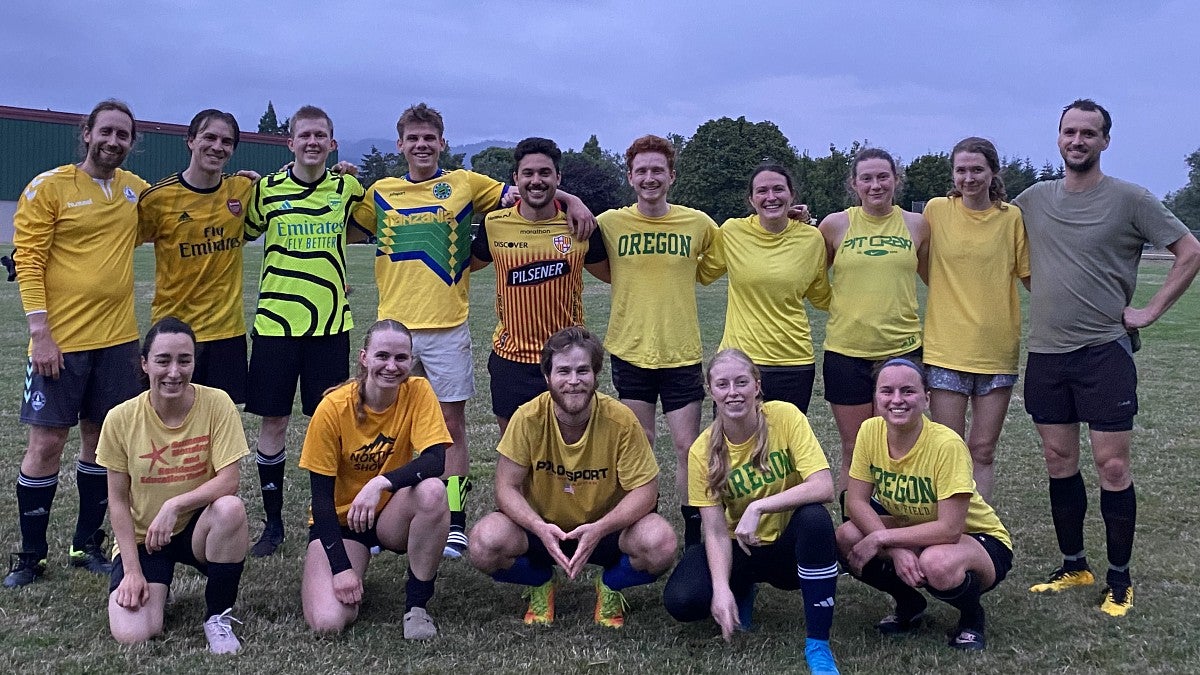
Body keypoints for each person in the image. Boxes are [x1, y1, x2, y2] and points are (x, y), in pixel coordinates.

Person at [350, 103, 595, 558]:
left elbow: (529, 192)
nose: (422, 146)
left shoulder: (466, 184)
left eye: (430, 138)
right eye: (413, 139)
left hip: (447, 325)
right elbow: (341, 223)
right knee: (386, 423)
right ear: (399, 144)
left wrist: (574, 199)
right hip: (393, 328)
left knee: (450, 426)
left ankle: (456, 520)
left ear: (442, 142)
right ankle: (385, 512)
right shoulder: (379, 191)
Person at [1014, 99, 1200, 616]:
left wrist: (1151, 310)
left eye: (1089, 134)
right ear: (1057, 138)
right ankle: (1075, 565)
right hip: (1047, 354)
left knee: (1111, 465)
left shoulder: (1131, 199)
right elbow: (979, 223)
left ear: (1105, 141)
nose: (1078, 141)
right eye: (1070, 132)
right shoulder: (1032, 199)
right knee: (1058, 461)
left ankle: (1120, 579)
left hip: (1104, 352)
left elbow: (1191, 251)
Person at [6, 99, 150, 588]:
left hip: (118, 344)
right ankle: (29, 554)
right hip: (60, 344)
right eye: (105, 131)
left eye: (123, 135)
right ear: (86, 133)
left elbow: (188, 202)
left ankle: (84, 542)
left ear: (133, 143)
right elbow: (27, 259)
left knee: (101, 442)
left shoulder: (136, 191)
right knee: (46, 443)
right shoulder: (49, 187)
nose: (114, 141)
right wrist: (40, 334)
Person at [468, 327, 676, 628]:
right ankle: (540, 581)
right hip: (544, 529)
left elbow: (646, 490)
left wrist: (601, 527)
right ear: (547, 377)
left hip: (605, 530)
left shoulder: (621, 420)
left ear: (596, 375)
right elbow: (506, 486)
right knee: (484, 544)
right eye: (563, 371)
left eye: (583, 371)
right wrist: (537, 526)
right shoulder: (527, 418)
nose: (574, 381)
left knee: (662, 544)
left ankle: (611, 586)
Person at [662, 350, 840, 675]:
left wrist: (760, 506)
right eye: (723, 384)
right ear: (710, 391)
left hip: (788, 549)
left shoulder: (784, 417)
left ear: (757, 385)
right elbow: (715, 531)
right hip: (740, 548)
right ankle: (740, 589)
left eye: (742, 382)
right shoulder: (702, 451)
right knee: (683, 600)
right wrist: (721, 589)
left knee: (815, 519)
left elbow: (824, 486)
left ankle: (818, 643)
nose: (733, 392)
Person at [242, 105, 365, 558]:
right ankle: (272, 525)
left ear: (332, 145)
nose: (312, 142)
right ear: (288, 142)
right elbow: (242, 228)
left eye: (321, 136)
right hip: (275, 325)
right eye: (304, 135)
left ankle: (326, 516)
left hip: (330, 326)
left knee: (329, 423)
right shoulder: (266, 190)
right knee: (273, 421)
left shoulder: (347, 186)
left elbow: (370, 217)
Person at [836, 358, 1012, 651]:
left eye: (908, 391)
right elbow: (855, 501)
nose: (897, 400)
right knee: (847, 536)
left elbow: (950, 529)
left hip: (979, 539)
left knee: (936, 562)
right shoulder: (870, 431)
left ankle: (972, 617)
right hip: (913, 529)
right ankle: (909, 603)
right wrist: (895, 550)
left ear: (927, 399)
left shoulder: (946, 445)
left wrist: (883, 538)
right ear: (876, 398)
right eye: (887, 391)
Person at [98, 317, 250, 654]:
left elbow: (229, 480)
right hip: (144, 538)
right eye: (163, 360)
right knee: (134, 633)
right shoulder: (120, 418)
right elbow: (118, 501)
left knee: (230, 508)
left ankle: (218, 617)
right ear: (145, 363)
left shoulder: (217, 403)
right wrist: (132, 572)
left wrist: (175, 505)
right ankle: (153, 585)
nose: (174, 372)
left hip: (196, 528)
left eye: (184, 360)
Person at [597, 134, 719, 548]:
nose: (650, 178)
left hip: (680, 351)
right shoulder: (610, 223)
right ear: (630, 176)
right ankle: (643, 522)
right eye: (642, 171)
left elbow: (735, 247)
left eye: (658, 171)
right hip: (630, 349)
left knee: (689, 447)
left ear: (671, 176)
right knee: (640, 444)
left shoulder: (698, 224)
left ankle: (693, 536)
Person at [298, 319, 451, 638]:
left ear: (411, 360)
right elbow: (321, 500)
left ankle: (417, 607)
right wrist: (340, 570)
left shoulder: (418, 391)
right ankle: (351, 567)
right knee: (328, 623)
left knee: (434, 491)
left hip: (389, 516)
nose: (392, 366)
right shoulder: (332, 408)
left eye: (401, 358)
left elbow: (435, 460)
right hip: (343, 523)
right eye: (383, 356)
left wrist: (380, 483)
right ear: (364, 357)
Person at [470, 137, 609, 434]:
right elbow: (465, 266)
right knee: (515, 455)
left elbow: (614, 276)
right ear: (515, 179)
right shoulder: (494, 224)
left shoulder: (581, 226)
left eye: (545, 173)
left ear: (558, 179)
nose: (536, 180)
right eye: (528, 173)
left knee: (570, 454)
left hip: (568, 357)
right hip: (512, 360)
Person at [818, 148, 929, 510]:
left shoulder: (917, 224)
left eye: (883, 176)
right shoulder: (835, 225)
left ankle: (899, 520)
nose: (875, 184)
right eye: (866, 178)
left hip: (901, 351)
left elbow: (932, 277)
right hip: (846, 351)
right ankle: (854, 529)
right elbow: (814, 275)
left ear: (896, 180)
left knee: (897, 445)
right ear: (854, 184)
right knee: (855, 445)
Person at [922, 137, 1030, 502]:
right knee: (948, 450)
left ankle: (980, 528)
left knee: (982, 449)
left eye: (977, 170)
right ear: (953, 174)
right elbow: (919, 260)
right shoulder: (936, 211)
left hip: (997, 350)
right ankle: (945, 527)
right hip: (946, 349)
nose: (969, 178)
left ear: (993, 172)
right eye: (961, 170)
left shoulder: (1010, 217)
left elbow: (1031, 277)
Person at [138, 109, 254, 405]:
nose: (218, 147)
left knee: (221, 423)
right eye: (209, 137)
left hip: (227, 333)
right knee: (168, 419)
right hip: (175, 331)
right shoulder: (157, 199)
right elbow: (119, 241)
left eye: (226, 141)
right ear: (190, 140)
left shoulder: (241, 189)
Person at [703, 164, 831, 414]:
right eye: (762, 191)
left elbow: (821, 296)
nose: (771, 197)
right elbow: (703, 273)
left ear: (791, 195)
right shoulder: (732, 232)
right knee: (733, 447)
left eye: (778, 189)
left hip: (795, 361)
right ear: (751, 199)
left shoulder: (812, 239)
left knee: (784, 447)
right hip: (740, 362)